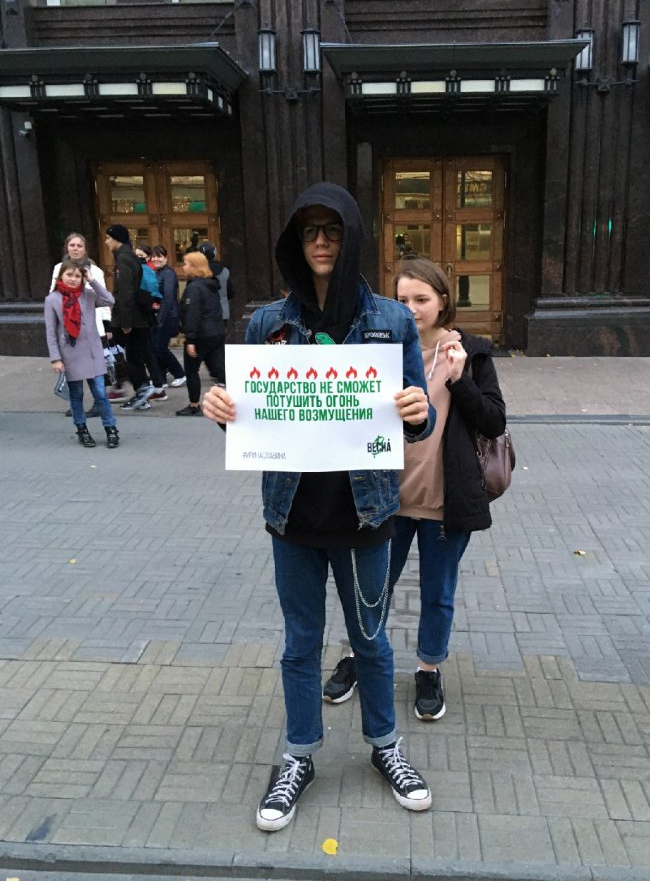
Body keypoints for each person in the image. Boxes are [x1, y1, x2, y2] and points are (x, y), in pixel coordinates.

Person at [203, 182, 436, 833]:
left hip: (366, 516)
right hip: (294, 520)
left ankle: (385, 746)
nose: (322, 242)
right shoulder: (266, 324)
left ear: (352, 237)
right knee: (300, 644)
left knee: (371, 641)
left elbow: (418, 415)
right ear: (295, 242)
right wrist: (220, 408)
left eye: (333, 230)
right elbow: (248, 415)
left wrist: (418, 410)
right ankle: (299, 754)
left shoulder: (391, 322)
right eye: (309, 232)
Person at [324, 257, 506, 721]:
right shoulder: (379, 351)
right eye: (401, 299)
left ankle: (428, 669)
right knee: (372, 587)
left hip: (445, 501)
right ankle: (359, 656)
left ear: (443, 301)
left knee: (437, 591)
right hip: (386, 499)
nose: (410, 309)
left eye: (421, 299)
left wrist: (459, 380)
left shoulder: (472, 353)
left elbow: (493, 420)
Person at [45, 259, 120, 449]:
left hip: (93, 353)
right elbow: (51, 332)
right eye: (69, 275)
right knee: (76, 395)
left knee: (101, 394)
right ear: (61, 276)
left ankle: (111, 429)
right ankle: (82, 429)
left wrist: (92, 281)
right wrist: (55, 358)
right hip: (70, 354)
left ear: (83, 278)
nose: (73, 279)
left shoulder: (89, 295)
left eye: (77, 276)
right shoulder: (52, 299)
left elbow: (110, 300)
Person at [104, 224, 167, 410]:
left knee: (131, 356)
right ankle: (144, 394)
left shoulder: (123, 258)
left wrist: (125, 322)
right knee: (137, 354)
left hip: (132, 319)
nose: (106, 242)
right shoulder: (127, 256)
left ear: (117, 239)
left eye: (108, 238)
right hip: (137, 317)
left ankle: (142, 390)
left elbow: (126, 292)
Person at [50, 232, 111, 416]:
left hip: (91, 326)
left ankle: (99, 403)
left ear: (85, 249)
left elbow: (104, 298)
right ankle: (76, 404)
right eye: (72, 245)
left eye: (79, 246)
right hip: (68, 328)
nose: (75, 249)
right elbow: (53, 293)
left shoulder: (95, 270)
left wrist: (106, 325)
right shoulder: (59, 268)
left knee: (95, 371)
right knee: (73, 369)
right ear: (67, 248)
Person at [175, 250, 225, 416]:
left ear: (194, 267)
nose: (183, 267)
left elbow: (192, 313)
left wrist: (190, 338)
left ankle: (194, 404)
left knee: (191, 370)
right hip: (216, 331)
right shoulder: (211, 285)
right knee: (218, 368)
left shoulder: (194, 288)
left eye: (186, 264)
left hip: (200, 335)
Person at [150, 245, 186, 387]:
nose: (156, 259)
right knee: (154, 348)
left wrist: (160, 318)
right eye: (154, 256)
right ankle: (161, 379)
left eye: (159, 256)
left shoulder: (168, 273)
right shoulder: (156, 272)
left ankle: (179, 373)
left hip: (168, 316)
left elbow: (169, 296)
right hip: (156, 316)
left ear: (165, 258)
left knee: (160, 348)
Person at [198, 241, 233, 329]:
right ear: (215, 253)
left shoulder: (197, 272)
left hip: (204, 312)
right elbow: (230, 292)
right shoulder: (225, 270)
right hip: (222, 311)